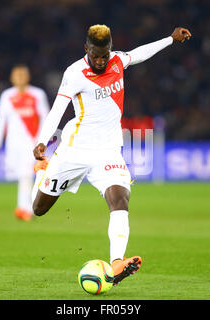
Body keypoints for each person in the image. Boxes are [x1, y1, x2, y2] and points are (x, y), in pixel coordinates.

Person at [31, 25, 191, 285]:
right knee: (38, 209)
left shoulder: (117, 60)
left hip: (108, 151)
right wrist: (42, 141)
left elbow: (139, 54)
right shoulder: (74, 73)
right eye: (96, 55)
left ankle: (116, 263)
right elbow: (57, 110)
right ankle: (41, 173)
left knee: (119, 199)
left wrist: (170, 40)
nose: (101, 60)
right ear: (86, 49)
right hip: (75, 151)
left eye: (104, 55)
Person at [0, 65, 50, 221]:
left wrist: (42, 140)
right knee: (19, 175)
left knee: (26, 174)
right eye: (16, 75)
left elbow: (45, 117)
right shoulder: (7, 95)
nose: (19, 78)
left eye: (22, 75)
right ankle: (24, 207)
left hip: (31, 142)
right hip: (13, 143)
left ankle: (25, 209)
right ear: (11, 78)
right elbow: (1, 118)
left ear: (28, 77)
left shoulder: (37, 94)